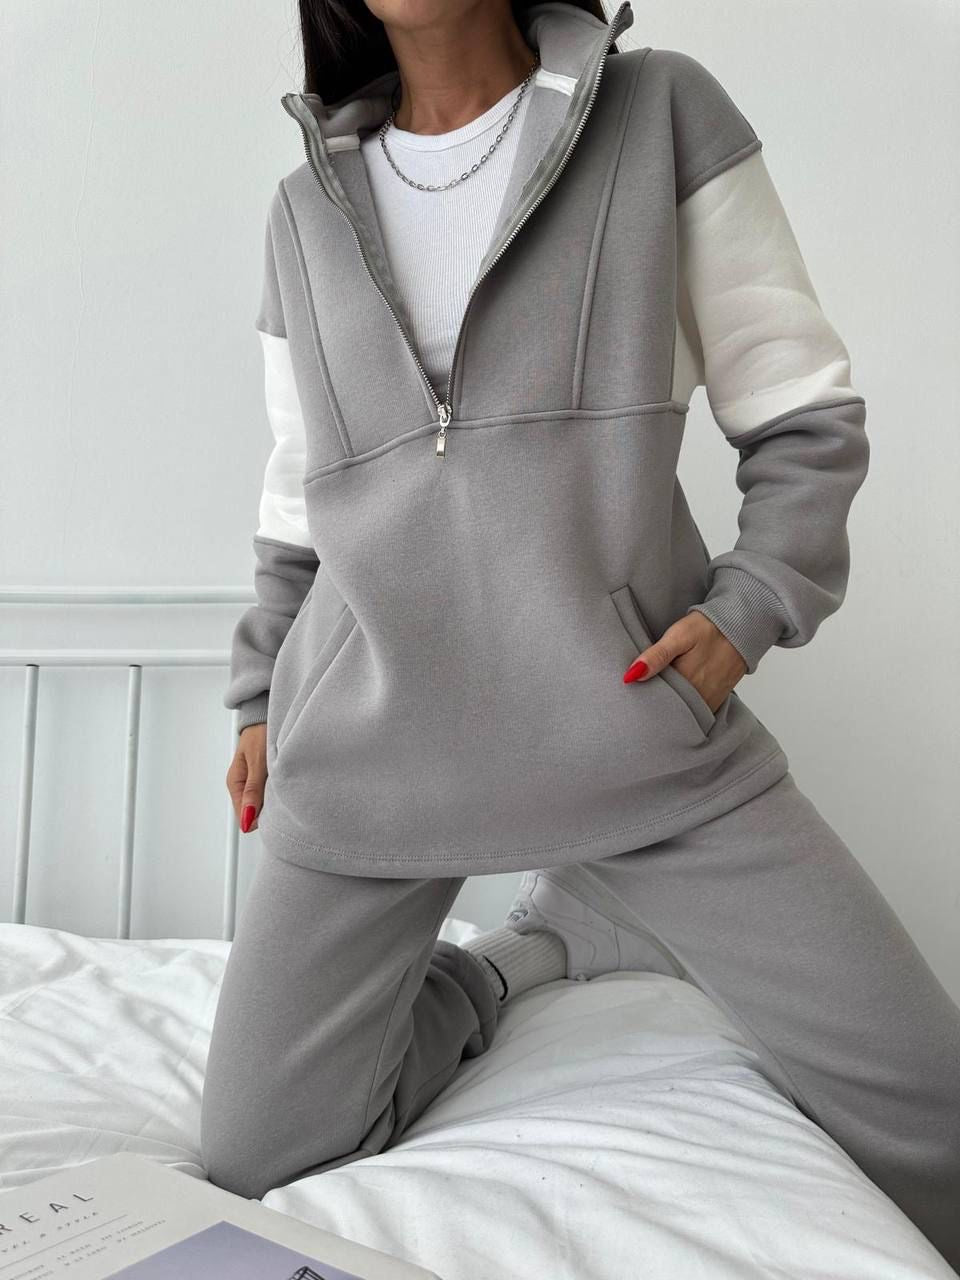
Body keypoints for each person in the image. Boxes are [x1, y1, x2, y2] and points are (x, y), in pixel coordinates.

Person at [201, 1, 960, 1268]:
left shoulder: (661, 112)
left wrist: (748, 609)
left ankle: (598, 905)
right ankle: (514, 962)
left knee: (933, 1108)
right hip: (373, 752)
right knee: (253, 1154)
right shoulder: (303, 207)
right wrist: (259, 694)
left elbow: (803, 411)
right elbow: (298, 502)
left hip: (636, 738)